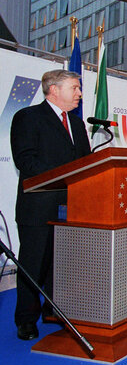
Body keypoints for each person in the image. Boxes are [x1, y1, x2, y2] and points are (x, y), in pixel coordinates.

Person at [10, 69, 91, 341]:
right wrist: (65, 175)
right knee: (34, 264)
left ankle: (54, 311)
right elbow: (26, 161)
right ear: (54, 90)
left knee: (63, 265)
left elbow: (86, 163)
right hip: (38, 208)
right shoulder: (28, 117)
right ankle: (26, 319)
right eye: (75, 87)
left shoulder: (78, 125)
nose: (80, 93)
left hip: (70, 207)